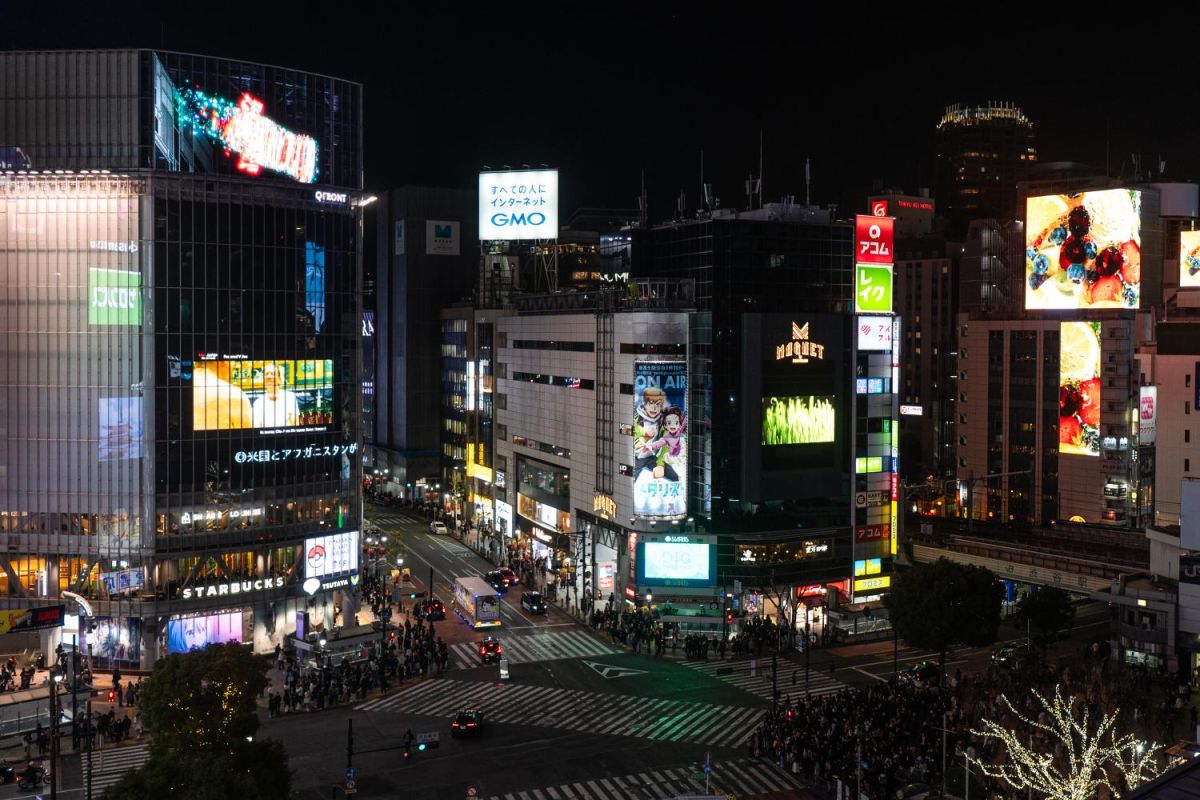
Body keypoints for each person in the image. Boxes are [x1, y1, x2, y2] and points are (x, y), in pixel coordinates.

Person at [193, 360, 254, 430]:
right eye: (233, 361)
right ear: (223, 361)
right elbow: (248, 437)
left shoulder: (180, 386)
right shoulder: (233, 394)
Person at [251, 361, 301, 428]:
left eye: (272, 374)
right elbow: (257, 430)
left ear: (279, 379)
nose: (269, 376)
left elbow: (294, 426)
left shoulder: (290, 397)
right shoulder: (257, 404)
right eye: (266, 374)